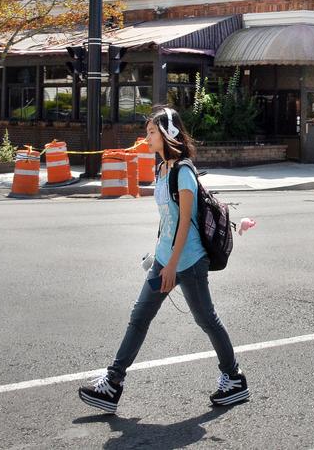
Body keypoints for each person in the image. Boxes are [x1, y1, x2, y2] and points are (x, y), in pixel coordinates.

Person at [78, 105, 248, 413]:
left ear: (168, 134)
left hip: (189, 262)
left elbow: (185, 222)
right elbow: (167, 220)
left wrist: (171, 266)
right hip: (165, 259)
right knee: (139, 316)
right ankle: (113, 384)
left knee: (206, 319)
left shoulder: (183, 172)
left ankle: (234, 378)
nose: (147, 137)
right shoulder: (161, 169)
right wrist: (158, 254)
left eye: (152, 132)